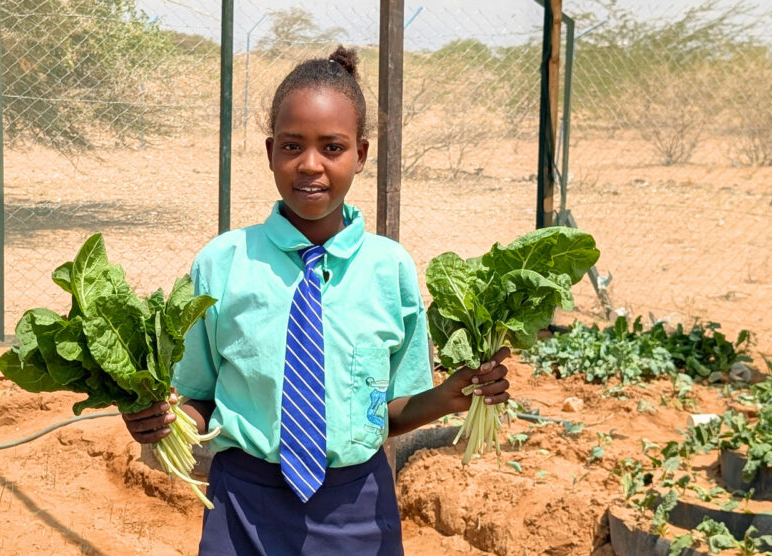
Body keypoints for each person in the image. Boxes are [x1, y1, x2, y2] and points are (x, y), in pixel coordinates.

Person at [122, 45, 511, 555]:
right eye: (291, 146)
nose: (310, 165)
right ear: (269, 152)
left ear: (361, 154)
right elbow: (196, 396)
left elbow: (388, 410)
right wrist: (162, 419)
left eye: (332, 147)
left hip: (357, 509)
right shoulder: (221, 264)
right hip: (242, 505)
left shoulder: (390, 269)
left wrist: (450, 396)